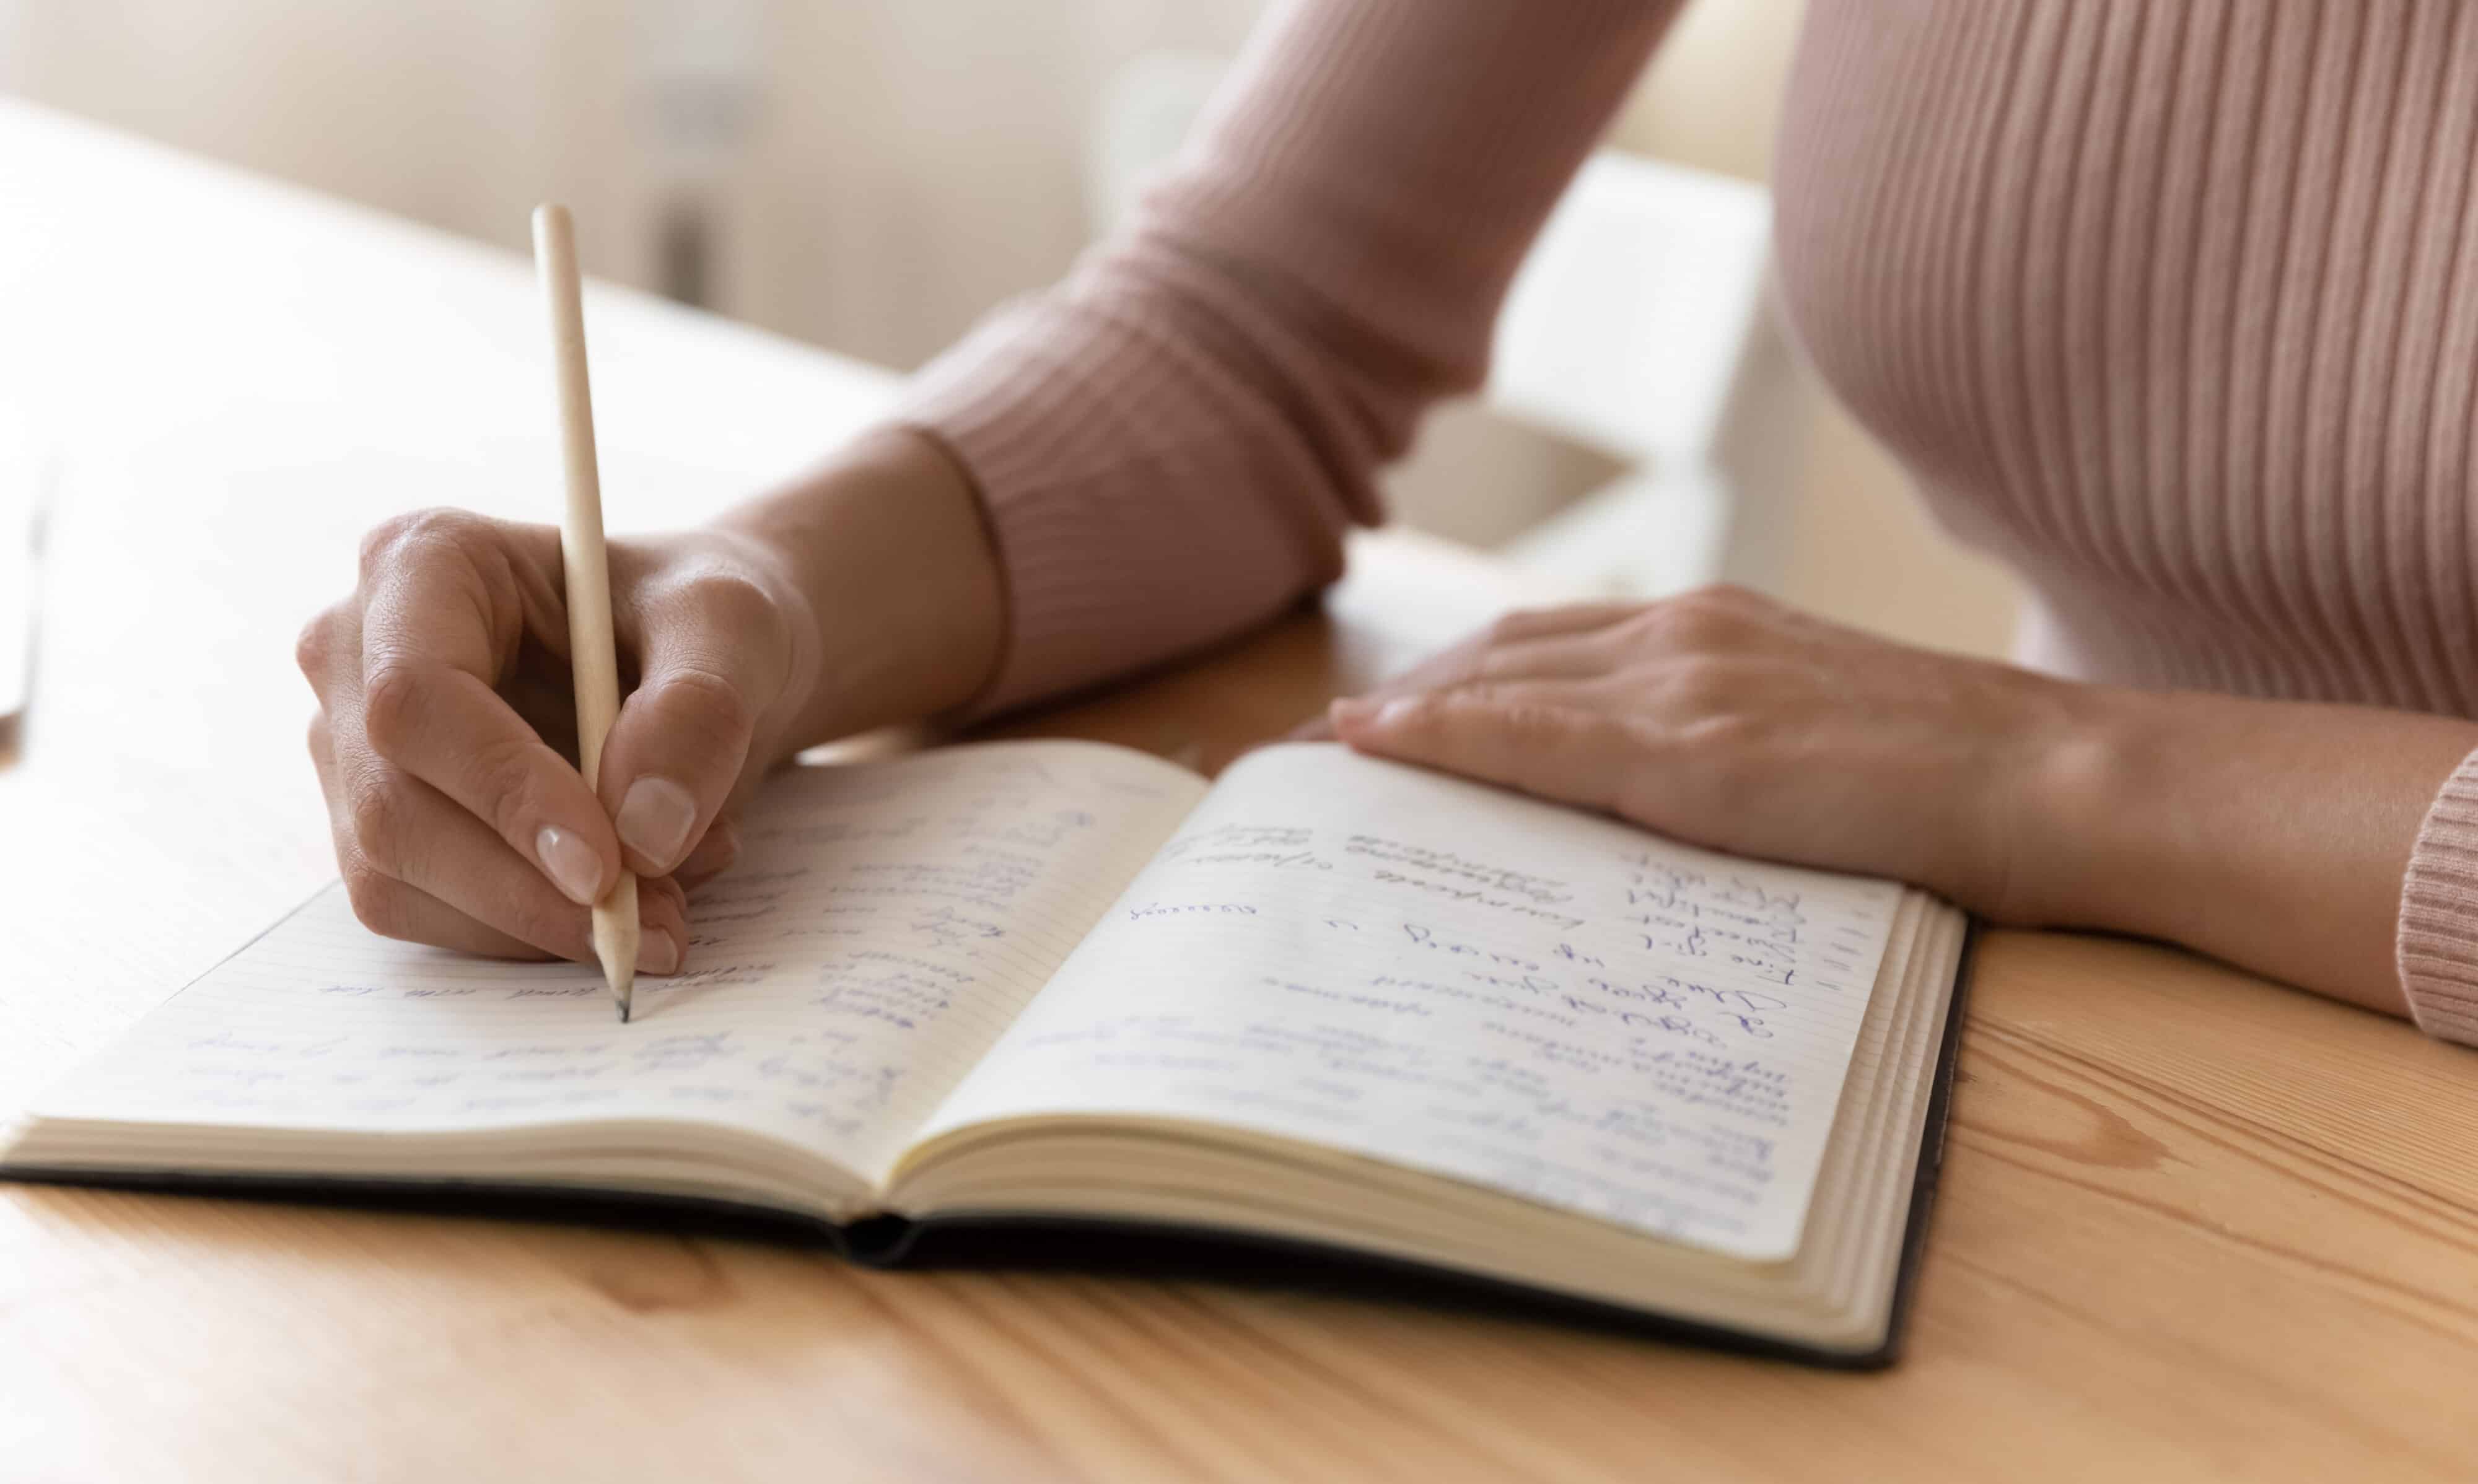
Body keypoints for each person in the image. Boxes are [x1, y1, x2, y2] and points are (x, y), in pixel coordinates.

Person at [292, 0, 2478, 1046]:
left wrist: (2061, 766)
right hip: (2113, 1048)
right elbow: (1265, 323)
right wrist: (750, 598)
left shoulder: (2043, 791)